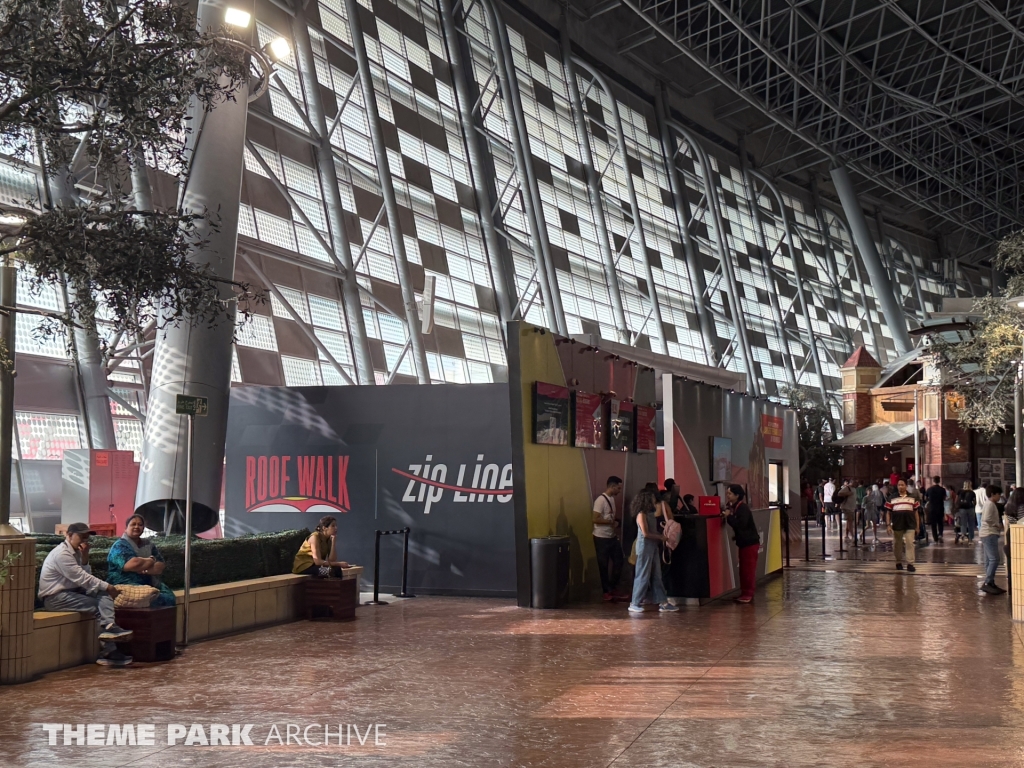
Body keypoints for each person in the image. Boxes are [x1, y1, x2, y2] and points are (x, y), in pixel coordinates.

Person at [37, 522, 134, 666]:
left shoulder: (76, 551)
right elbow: (82, 578)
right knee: (97, 605)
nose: (84, 540)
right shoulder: (62, 554)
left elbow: (85, 576)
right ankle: (108, 651)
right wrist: (108, 586)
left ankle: (109, 628)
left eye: (86, 537)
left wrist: (85, 556)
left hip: (72, 592)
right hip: (55, 598)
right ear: (69, 535)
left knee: (102, 594)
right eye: (81, 536)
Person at [106, 513, 176, 607]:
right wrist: (151, 560)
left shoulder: (148, 544)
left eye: (140, 524)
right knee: (157, 599)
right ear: (126, 528)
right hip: (125, 585)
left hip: (149, 584)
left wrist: (144, 570)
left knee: (170, 598)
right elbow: (132, 564)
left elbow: (160, 566)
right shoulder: (119, 545)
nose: (136, 527)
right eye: (133, 524)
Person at [628, 486, 678, 614]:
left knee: (657, 575)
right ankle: (635, 602)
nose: (654, 499)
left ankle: (663, 602)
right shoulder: (641, 514)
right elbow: (645, 533)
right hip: (645, 546)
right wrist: (661, 537)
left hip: (652, 545)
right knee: (643, 574)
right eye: (652, 497)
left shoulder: (648, 513)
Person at [723, 484, 759, 604]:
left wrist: (729, 517)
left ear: (737, 495)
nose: (727, 496)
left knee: (748, 569)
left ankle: (748, 594)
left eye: (729, 494)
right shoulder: (736, 507)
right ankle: (744, 593)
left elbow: (741, 525)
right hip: (744, 543)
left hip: (749, 543)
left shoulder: (742, 508)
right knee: (743, 570)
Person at [592, 476, 624, 601]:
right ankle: (607, 591)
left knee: (619, 561)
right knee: (603, 565)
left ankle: (612, 587)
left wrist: (615, 523)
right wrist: (610, 523)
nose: (619, 491)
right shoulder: (600, 500)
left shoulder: (611, 499)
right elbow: (595, 518)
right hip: (601, 538)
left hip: (611, 536)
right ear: (612, 486)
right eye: (618, 488)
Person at [885, 479, 920, 573]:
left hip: (910, 524)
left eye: (902, 485)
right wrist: (888, 525)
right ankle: (898, 562)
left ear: (906, 486)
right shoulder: (892, 498)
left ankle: (910, 564)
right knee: (897, 544)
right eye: (899, 485)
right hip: (897, 524)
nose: (900, 486)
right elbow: (888, 513)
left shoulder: (913, 497)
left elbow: (916, 513)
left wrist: (917, 526)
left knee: (910, 543)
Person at [979, 485, 1006, 595]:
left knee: (989, 560)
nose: (1000, 496)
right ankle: (988, 582)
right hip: (989, 533)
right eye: (998, 494)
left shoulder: (989, 503)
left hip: (986, 533)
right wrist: (997, 525)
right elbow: (986, 519)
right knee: (994, 559)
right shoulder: (990, 504)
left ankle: (991, 583)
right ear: (993, 494)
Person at [925, 477, 947, 543]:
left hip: (932, 508)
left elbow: (926, 498)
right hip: (940, 507)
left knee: (933, 524)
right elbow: (944, 498)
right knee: (940, 523)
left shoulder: (929, 489)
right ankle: (940, 534)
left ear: (933, 481)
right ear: (939, 481)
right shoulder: (942, 489)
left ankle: (935, 538)